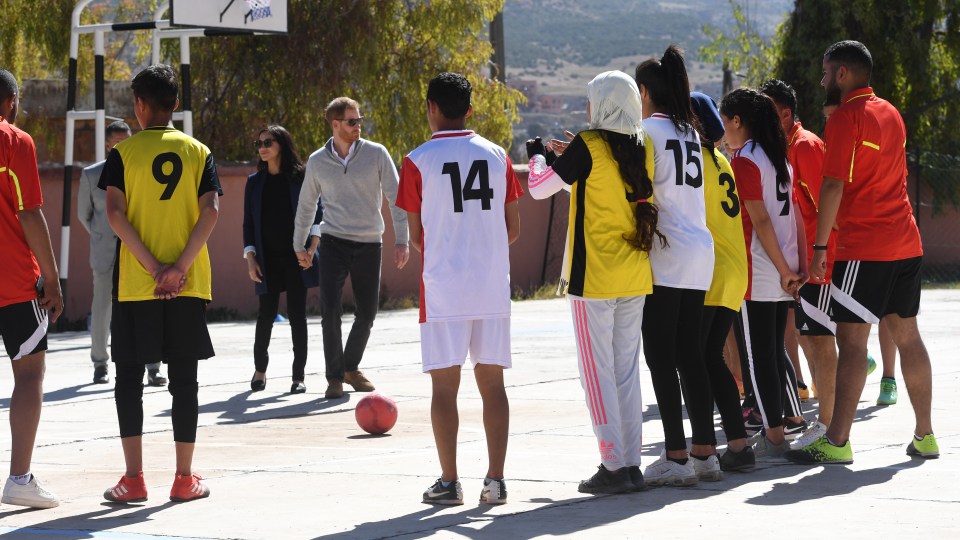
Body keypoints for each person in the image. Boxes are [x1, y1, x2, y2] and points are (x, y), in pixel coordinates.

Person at [786, 41, 937, 464]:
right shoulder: (891, 113)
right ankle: (925, 434)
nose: (821, 81)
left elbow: (832, 185)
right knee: (909, 337)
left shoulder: (845, 118)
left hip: (864, 248)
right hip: (906, 243)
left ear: (843, 74)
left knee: (852, 343)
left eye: (825, 72)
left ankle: (836, 442)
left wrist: (819, 248)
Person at [529, 70, 658, 494]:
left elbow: (538, 189)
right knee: (624, 373)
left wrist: (538, 157)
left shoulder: (588, 144)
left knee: (595, 374)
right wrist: (571, 159)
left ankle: (611, 463)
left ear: (600, 104)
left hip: (594, 278)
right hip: (635, 274)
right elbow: (602, 189)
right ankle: (632, 464)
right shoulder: (641, 146)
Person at [395, 72, 521, 505]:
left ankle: (449, 482)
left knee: (444, 390)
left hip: (443, 288)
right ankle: (497, 481)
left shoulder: (416, 160)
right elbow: (513, 228)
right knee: (493, 386)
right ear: (469, 109)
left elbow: (416, 236)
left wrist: (452, 249)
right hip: (490, 286)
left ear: (431, 107)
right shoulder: (498, 155)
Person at [99, 64, 221, 502]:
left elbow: (115, 214)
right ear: (174, 105)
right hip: (187, 284)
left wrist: (153, 268)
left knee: (129, 378)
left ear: (139, 106)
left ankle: (133, 480)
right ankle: (184, 479)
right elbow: (211, 212)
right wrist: (178, 267)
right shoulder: (199, 151)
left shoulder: (122, 155)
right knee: (184, 379)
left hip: (137, 285)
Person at [634, 45, 717, 486]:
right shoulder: (690, 133)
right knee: (692, 355)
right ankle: (705, 453)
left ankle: (676, 456)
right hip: (699, 252)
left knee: (660, 356)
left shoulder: (645, 130)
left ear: (644, 92)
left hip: (667, 254)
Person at [293, 97, 410, 399]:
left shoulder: (376, 154)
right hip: (333, 242)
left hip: (370, 243)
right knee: (330, 311)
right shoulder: (318, 161)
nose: (359, 125)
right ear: (335, 124)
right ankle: (334, 377)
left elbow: (396, 198)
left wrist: (401, 240)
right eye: (352, 121)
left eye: (359, 120)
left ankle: (350, 366)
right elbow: (307, 205)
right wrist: (299, 244)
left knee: (368, 312)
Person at [719, 87, 807, 463]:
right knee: (772, 355)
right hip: (783, 272)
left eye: (726, 123)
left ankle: (774, 437)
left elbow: (760, 219)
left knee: (759, 361)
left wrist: (786, 270)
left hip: (760, 271)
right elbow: (797, 218)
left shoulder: (745, 161)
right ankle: (780, 429)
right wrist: (799, 267)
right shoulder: (779, 159)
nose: (724, 133)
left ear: (739, 120)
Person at [0, 67, 63, 509]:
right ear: (11, 101)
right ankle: (19, 479)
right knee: (29, 374)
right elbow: (29, 214)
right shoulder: (14, 141)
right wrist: (54, 280)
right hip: (14, 281)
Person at [760, 78, 835, 447]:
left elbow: (827, 207)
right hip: (795, 265)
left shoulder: (805, 147)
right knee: (801, 336)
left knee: (819, 341)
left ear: (786, 114)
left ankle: (829, 426)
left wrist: (820, 256)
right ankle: (809, 404)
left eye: (767, 111)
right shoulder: (778, 149)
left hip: (816, 266)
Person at [689, 91, 755, 474]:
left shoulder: (692, 161)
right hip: (734, 269)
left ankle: (705, 448)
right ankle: (738, 444)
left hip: (710, 271)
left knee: (696, 360)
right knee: (710, 357)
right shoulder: (721, 160)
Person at [79, 121, 167, 387]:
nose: (122, 145)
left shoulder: (141, 170)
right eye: (117, 141)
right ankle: (100, 364)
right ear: (107, 143)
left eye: (126, 140)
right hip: (106, 253)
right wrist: (104, 236)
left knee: (148, 308)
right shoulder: (92, 175)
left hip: (141, 252)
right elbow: (85, 217)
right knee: (102, 308)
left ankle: (153, 367)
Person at [243, 125, 321, 394]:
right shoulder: (254, 182)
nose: (262, 147)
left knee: (298, 315)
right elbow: (248, 225)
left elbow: (317, 217)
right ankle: (260, 371)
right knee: (265, 315)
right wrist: (250, 258)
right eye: (259, 142)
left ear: (282, 146)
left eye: (268, 142)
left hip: (296, 257)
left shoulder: (301, 178)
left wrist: (311, 251)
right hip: (267, 259)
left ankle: (298, 377)